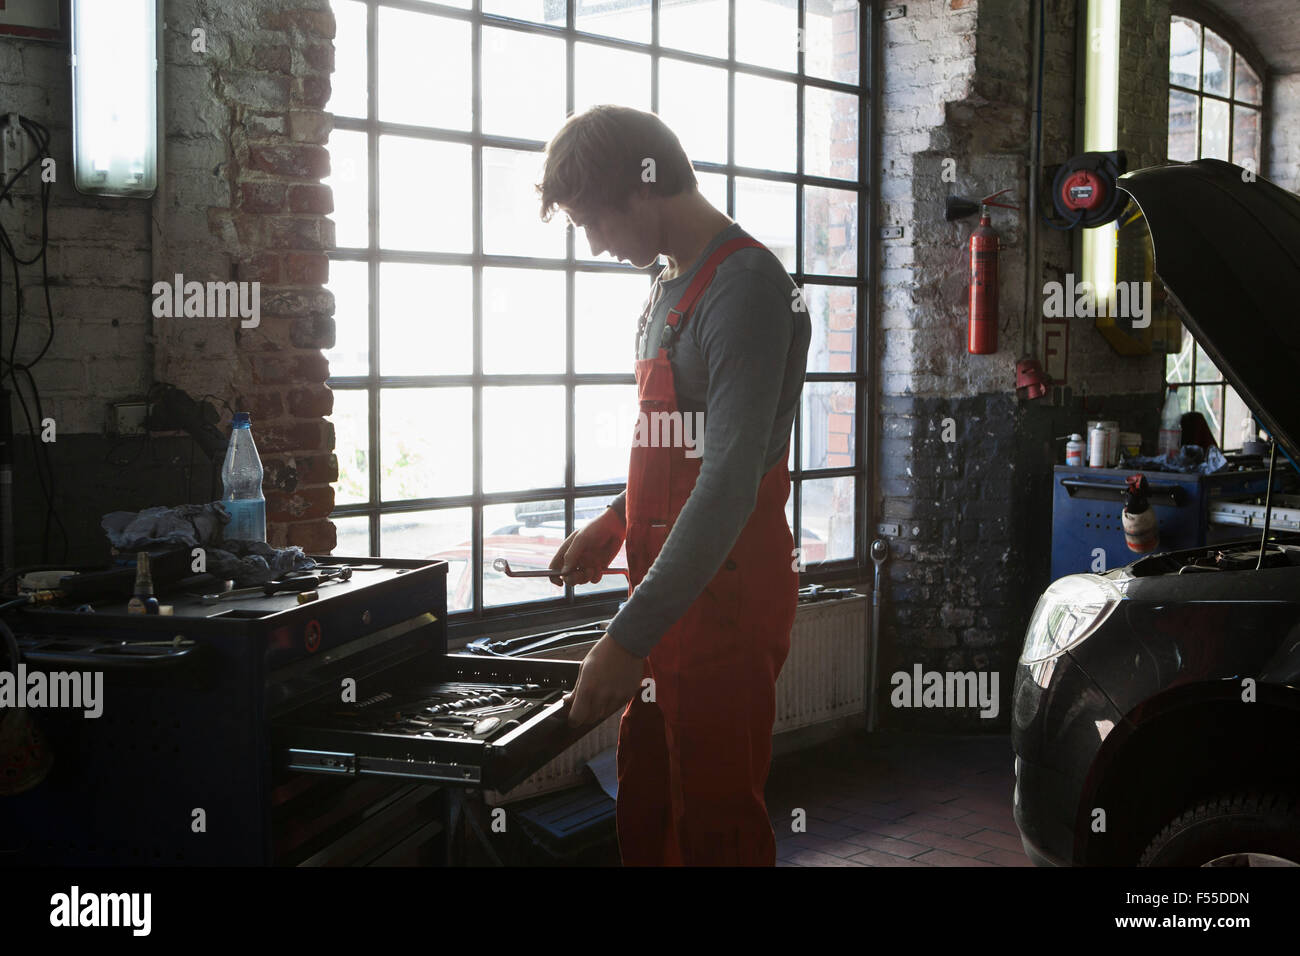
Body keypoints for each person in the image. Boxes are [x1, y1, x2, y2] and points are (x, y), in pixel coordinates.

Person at [536, 105, 810, 866]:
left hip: (724, 602)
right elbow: (681, 445)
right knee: (652, 804)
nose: (594, 242)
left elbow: (726, 482)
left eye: (594, 220)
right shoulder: (665, 287)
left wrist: (625, 639)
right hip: (666, 597)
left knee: (716, 824)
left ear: (641, 189)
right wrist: (616, 522)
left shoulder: (747, 288)